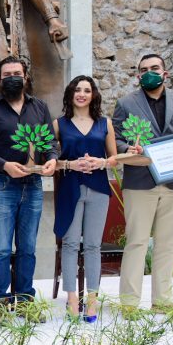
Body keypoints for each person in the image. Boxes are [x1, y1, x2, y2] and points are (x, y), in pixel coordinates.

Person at [0, 55, 57, 323]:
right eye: (7, 75)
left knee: (28, 247)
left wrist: (51, 159)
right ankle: (1, 303)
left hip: (32, 185)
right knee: (0, 247)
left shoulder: (40, 107)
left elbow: (50, 142)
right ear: (0, 80)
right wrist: (5, 165)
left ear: (25, 77)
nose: (13, 78)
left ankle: (24, 303)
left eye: (17, 74)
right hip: (2, 184)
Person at [112, 54, 173, 315]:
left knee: (168, 244)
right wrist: (127, 148)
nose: (150, 72)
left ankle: (163, 300)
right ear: (138, 76)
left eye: (155, 68)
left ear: (165, 73)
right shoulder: (126, 103)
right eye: (144, 69)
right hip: (139, 181)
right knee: (136, 242)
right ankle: (129, 303)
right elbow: (115, 138)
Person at [53, 76, 117, 322]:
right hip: (70, 188)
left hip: (99, 188)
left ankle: (92, 300)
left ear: (93, 95)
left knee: (92, 245)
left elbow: (114, 159)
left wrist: (101, 162)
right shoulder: (59, 124)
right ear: (70, 94)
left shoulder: (105, 123)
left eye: (87, 90)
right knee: (70, 244)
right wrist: (70, 164)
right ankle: (71, 299)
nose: (81, 94)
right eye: (77, 90)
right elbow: (50, 160)